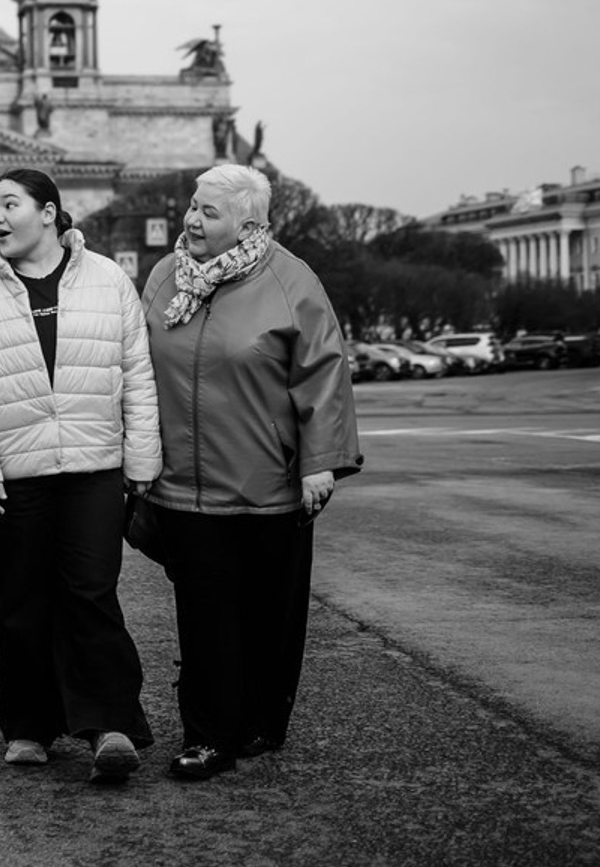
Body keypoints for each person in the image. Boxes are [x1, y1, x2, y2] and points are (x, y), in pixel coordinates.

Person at [140, 163, 362, 781]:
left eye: (209, 213)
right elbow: (134, 366)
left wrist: (320, 463)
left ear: (249, 224)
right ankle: (209, 736)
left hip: (270, 486)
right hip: (183, 487)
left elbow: (324, 374)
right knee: (204, 618)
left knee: (269, 616)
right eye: (192, 206)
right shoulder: (164, 276)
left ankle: (264, 719)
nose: (191, 219)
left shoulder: (291, 279)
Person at [0, 168, 161, 784]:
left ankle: (110, 723)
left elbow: (137, 373)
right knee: (17, 602)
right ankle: (29, 725)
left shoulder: (108, 279)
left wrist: (141, 459)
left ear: (49, 212)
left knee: (91, 592)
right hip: (14, 472)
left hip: (93, 466)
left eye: (8, 204)